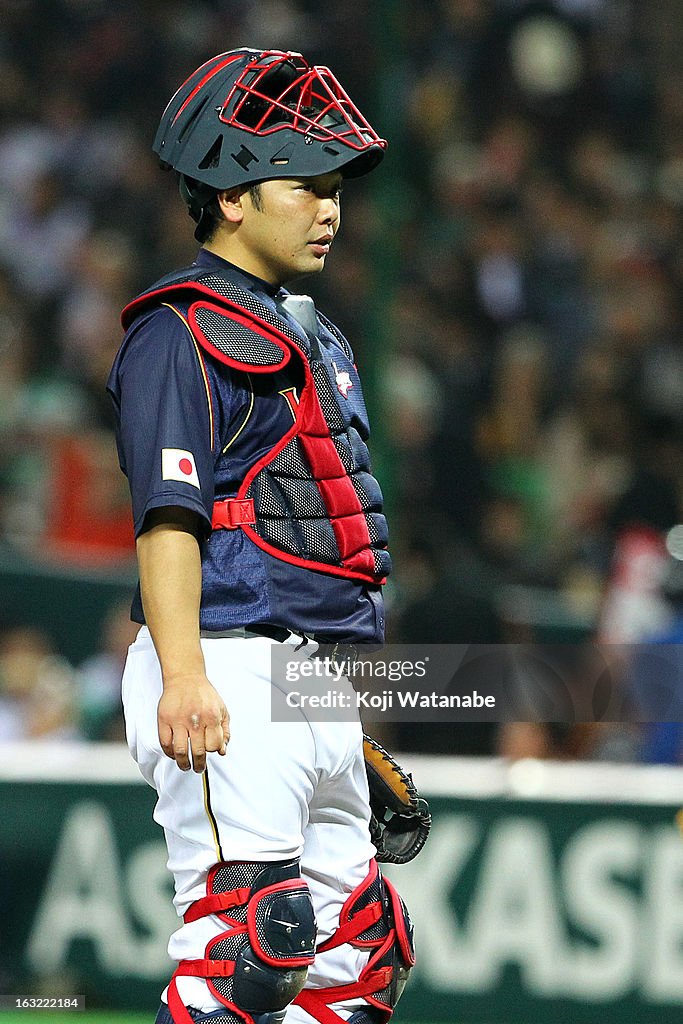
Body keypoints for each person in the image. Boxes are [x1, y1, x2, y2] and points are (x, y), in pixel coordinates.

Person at [107, 49, 414, 1024]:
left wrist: (333, 721)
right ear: (232, 197)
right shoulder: (178, 330)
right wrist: (185, 671)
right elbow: (170, 518)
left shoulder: (314, 333)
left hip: (302, 676)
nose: (329, 208)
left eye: (334, 190)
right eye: (304, 186)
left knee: (359, 958)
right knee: (251, 940)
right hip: (221, 663)